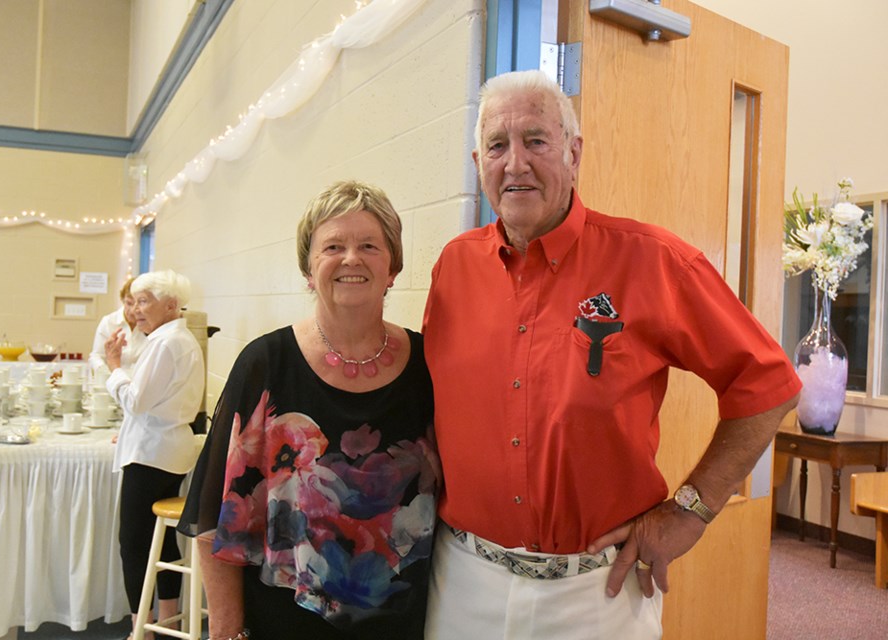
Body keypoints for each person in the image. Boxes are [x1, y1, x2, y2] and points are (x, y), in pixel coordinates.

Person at [421, 70, 802, 639]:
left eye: (536, 140)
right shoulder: (453, 266)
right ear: (478, 161)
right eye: (497, 146)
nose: (515, 163)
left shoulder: (653, 261)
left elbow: (768, 384)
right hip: (462, 585)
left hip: (595, 596)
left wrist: (690, 510)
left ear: (574, 153)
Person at [178, 180, 441, 640]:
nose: (351, 259)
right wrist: (224, 630)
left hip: (407, 624)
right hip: (284, 622)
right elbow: (216, 518)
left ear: (393, 267)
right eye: (332, 246)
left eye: (369, 246)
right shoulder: (265, 364)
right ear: (308, 267)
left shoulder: (428, 365)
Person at [104, 269, 205, 635]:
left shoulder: (166, 343)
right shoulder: (172, 338)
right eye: (133, 302)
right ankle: (163, 619)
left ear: (171, 304)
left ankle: (140, 627)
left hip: (152, 453)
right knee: (157, 544)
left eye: (144, 302)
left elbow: (135, 400)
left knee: (134, 543)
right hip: (164, 448)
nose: (136, 311)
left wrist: (114, 367)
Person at [89, 277, 146, 380]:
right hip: (111, 381)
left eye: (139, 305)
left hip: (139, 383)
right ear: (122, 300)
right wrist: (106, 373)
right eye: (129, 303)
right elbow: (96, 356)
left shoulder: (150, 324)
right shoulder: (109, 322)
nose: (132, 310)